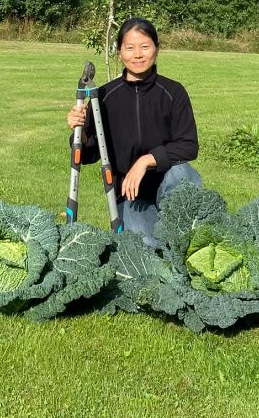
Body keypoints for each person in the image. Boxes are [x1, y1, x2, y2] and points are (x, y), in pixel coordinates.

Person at [66, 17, 202, 246]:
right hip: (130, 196)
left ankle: (186, 238)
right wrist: (80, 129)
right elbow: (89, 154)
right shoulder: (104, 96)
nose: (138, 55)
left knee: (183, 175)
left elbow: (188, 145)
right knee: (147, 246)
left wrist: (146, 161)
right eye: (129, 48)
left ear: (157, 49)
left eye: (145, 47)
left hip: (167, 182)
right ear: (119, 52)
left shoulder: (173, 92)